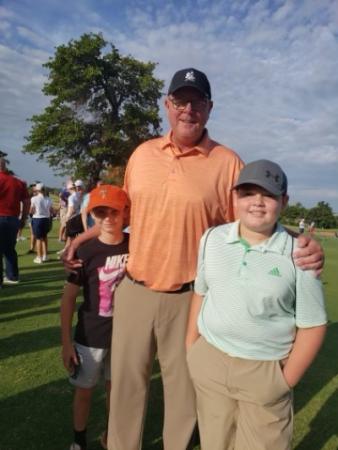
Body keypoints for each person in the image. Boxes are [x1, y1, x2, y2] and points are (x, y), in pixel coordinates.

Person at [64, 69, 324, 450]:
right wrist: (82, 238)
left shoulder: (227, 162)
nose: (188, 109)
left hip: (190, 296)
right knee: (124, 388)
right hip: (134, 288)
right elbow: (126, 216)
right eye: (180, 101)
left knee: (184, 396)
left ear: (209, 108)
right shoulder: (142, 155)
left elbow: (255, 220)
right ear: (167, 105)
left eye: (197, 102)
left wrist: (301, 243)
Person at [185, 160, 327, 450]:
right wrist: (191, 347)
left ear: (283, 201)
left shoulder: (301, 253)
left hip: (264, 370)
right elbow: (201, 292)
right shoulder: (212, 238)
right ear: (235, 197)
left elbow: (313, 325)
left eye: (269, 195)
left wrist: (284, 381)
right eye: (248, 193)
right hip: (210, 359)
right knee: (214, 443)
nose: (257, 203)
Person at [60, 184, 130, 450]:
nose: (108, 218)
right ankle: (79, 440)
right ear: (92, 216)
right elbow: (67, 299)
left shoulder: (136, 244)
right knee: (85, 390)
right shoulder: (86, 251)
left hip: (125, 334)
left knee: (116, 390)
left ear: (125, 212)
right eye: (100, 213)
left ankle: (110, 436)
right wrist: (66, 342)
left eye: (114, 211)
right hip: (91, 334)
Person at [0, 157, 30, 287]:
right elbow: (27, 202)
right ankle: (12, 276)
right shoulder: (18, 182)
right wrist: (23, 219)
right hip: (13, 219)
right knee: (9, 249)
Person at [30, 183, 53, 263]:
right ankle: (45, 256)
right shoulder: (49, 199)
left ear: (38, 190)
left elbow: (31, 211)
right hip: (46, 219)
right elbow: (51, 211)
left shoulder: (34, 198)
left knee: (39, 239)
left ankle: (39, 257)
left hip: (37, 219)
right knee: (44, 237)